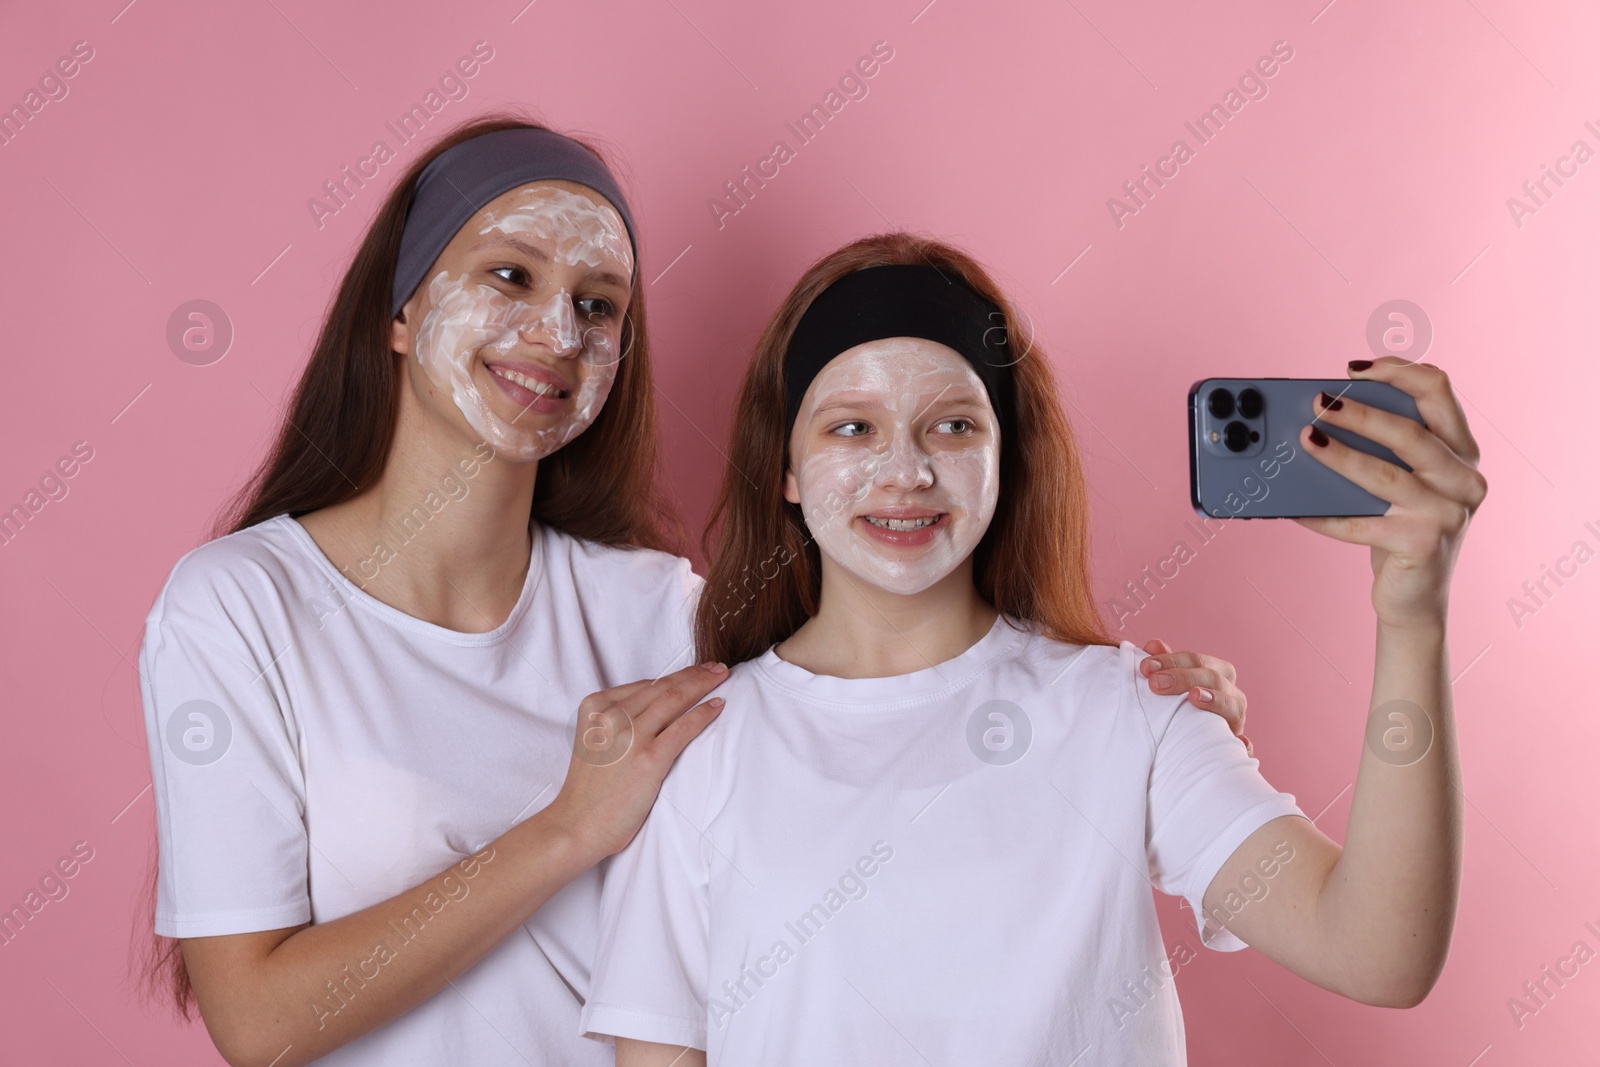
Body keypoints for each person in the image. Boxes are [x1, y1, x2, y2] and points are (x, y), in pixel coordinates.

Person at [137, 118, 1246, 1067]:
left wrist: (1140, 728)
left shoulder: (665, 614)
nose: (556, 333)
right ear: (397, 308)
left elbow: (897, 737)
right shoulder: (240, 607)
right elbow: (257, 1018)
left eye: (600, 302)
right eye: (511, 274)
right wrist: (571, 826)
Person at [581, 233, 1485, 1065]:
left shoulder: (1135, 708)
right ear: (785, 465)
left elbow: (1380, 951)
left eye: (954, 425)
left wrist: (1414, 614)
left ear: (1007, 457)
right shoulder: (699, 751)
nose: (906, 470)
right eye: (852, 427)